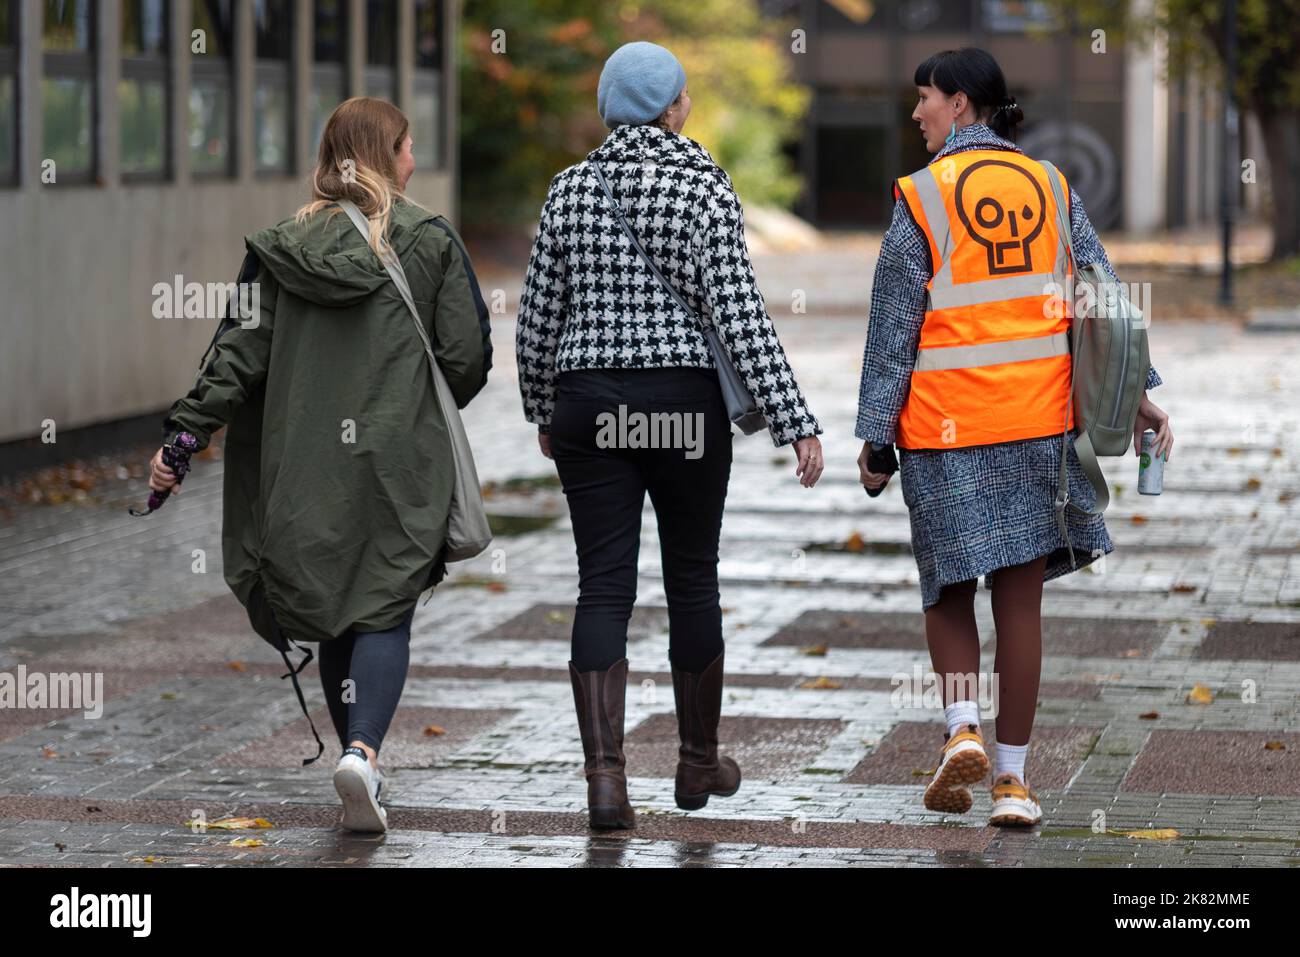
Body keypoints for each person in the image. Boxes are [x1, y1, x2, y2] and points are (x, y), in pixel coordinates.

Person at [148, 97, 492, 833]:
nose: (411, 161)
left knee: (339, 609)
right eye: (405, 148)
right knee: (385, 603)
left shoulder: (278, 247)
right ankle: (362, 753)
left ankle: (355, 757)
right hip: (401, 465)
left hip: (302, 467)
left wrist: (182, 439)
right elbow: (465, 358)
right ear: (387, 152)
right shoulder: (427, 239)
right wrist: (412, 401)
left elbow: (234, 357)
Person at [855, 49, 1173, 827]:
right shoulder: (1051, 184)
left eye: (924, 97)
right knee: (1020, 605)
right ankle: (1013, 783)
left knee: (949, 588)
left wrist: (874, 437)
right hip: (1036, 424)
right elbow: (1100, 294)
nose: (917, 112)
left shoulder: (922, 196)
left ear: (961, 104)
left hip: (944, 426)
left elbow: (894, 329)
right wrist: (1141, 395)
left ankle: (961, 725)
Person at [515, 41, 825, 830]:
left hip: (589, 405)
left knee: (603, 585)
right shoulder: (702, 182)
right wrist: (794, 421)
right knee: (692, 576)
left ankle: (606, 781)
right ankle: (696, 758)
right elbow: (740, 315)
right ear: (673, 106)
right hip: (682, 405)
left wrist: (542, 409)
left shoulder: (570, 188)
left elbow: (538, 317)